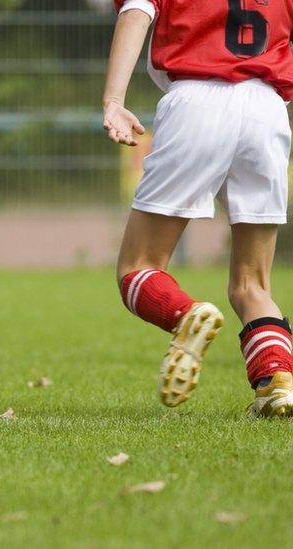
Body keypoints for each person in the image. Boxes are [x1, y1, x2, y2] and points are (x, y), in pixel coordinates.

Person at [104, 0, 292, 417]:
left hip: (196, 99)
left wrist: (113, 99)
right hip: (268, 108)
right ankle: (277, 382)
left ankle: (187, 314)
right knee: (253, 285)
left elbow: (135, 12)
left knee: (138, 267)